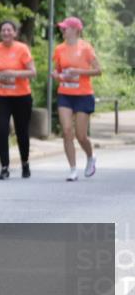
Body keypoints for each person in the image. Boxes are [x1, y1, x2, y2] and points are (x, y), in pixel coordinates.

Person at [0, 20, 36, 180]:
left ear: (15, 33)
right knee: (2, 130)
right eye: (3, 30)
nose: (6, 33)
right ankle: (4, 167)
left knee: (22, 131)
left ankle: (25, 163)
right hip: (1, 96)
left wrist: (13, 74)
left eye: (9, 30)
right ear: (0, 33)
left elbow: (32, 72)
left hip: (21, 96)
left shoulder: (22, 49)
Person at [51, 16, 101, 181]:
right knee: (66, 131)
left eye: (66, 28)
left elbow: (98, 70)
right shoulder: (59, 49)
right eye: (62, 27)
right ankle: (73, 169)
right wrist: (56, 76)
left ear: (76, 30)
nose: (63, 30)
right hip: (65, 93)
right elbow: (58, 71)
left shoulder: (86, 48)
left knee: (81, 135)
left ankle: (90, 156)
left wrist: (78, 72)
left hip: (83, 95)